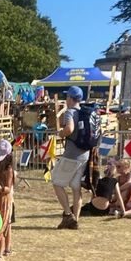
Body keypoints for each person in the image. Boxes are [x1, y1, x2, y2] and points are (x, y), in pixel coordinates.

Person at [51, 86, 89, 230]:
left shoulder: (70, 112)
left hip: (72, 155)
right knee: (76, 188)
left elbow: (70, 129)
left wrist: (61, 133)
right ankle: (75, 220)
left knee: (56, 181)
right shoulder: (86, 112)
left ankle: (68, 215)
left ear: (70, 98)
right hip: (84, 155)